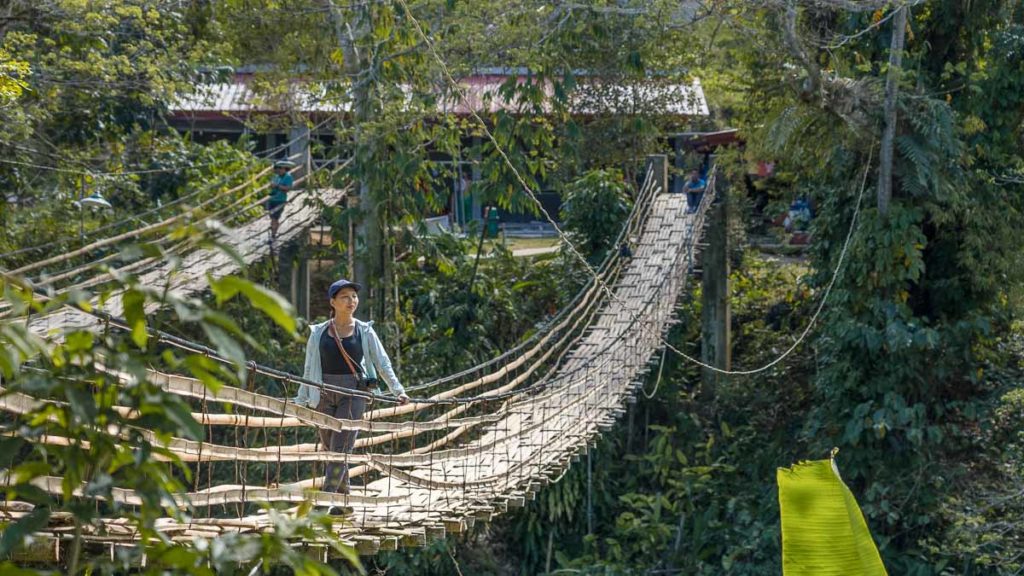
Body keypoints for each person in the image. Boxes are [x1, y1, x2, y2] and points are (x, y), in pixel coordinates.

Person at [293, 279, 410, 510]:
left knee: (340, 449)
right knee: (331, 450)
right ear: (333, 302)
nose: (351, 301)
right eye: (345, 297)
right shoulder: (318, 333)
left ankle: (323, 502)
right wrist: (300, 400)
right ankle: (344, 502)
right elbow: (308, 368)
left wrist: (398, 390)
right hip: (323, 393)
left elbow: (382, 362)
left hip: (354, 393)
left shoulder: (365, 331)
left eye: (354, 296)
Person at [266, 160, 294, 240]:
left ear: (285, 169)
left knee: (275, 218)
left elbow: (288, 188)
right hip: (272, 199)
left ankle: (273, 235)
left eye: (281, 168)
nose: (279, 170)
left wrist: (277, 186)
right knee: (272, 218)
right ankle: (273, 233)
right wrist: (272, 186)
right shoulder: (276, 177)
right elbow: (272, 185)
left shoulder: (288, 177)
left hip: (280, 200)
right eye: (278, 168)